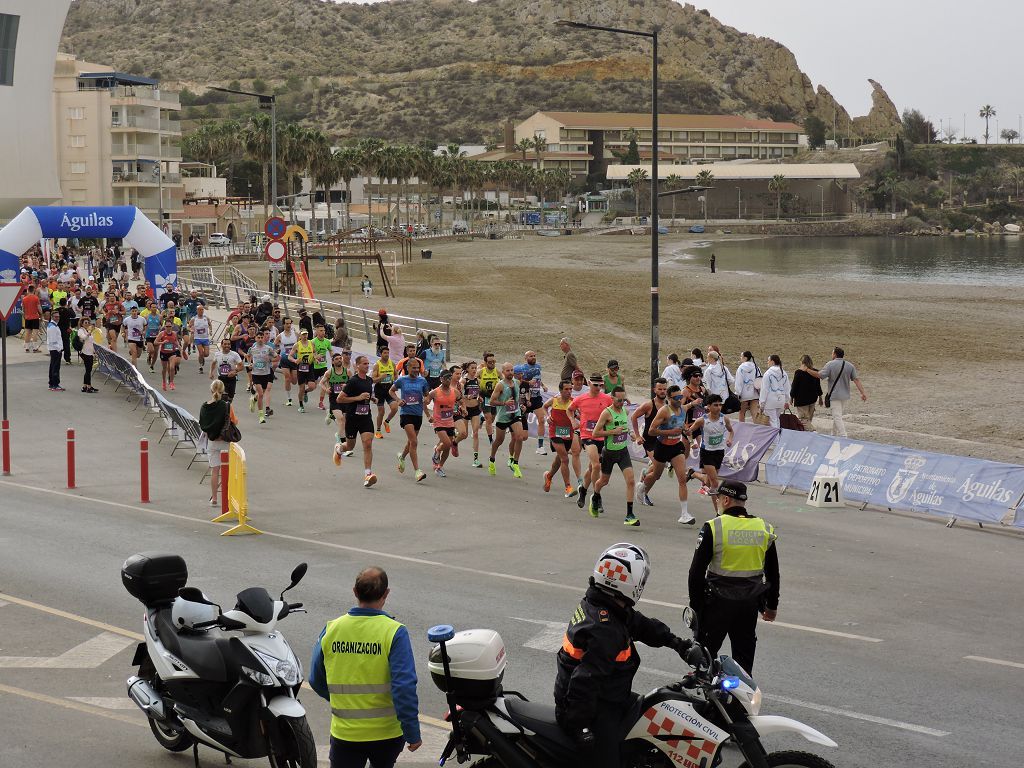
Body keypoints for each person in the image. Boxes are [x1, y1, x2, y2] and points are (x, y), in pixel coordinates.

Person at [555, 544, 693, 768]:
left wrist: (678, 644)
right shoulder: (605, 630)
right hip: (589, 708)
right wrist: (579, 725)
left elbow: (641, 624)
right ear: (628, 583)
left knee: (654, 713)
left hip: (608, 695)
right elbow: (585, 680)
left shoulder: (606, 604)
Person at [309, 567, 421, 768]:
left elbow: (316, 680)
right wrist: (412, 732)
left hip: (345, 734)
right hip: (387, 735)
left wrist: (343, 701)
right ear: (386, 593)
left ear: (354, 591)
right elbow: (404, 687)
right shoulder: (394, 632)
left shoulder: (332, 629)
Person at [687, 480, 779, 674]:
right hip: (749, 605)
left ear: (726, 500)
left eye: (718, 498)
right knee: (743, 665)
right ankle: (740, 703)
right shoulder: (763, 528)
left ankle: (703, 699)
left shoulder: (714, 527)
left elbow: (696, 573)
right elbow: (773, 572)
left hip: (716, 605)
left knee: (704, 660)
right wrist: (771, 606)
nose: (717, 502)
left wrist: (697, 609)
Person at [591, 386, 639, 526]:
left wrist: (631, 434)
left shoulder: (625, 410)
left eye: (624, 399)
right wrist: (612, 432)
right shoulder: (606, 413)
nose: (622, 402)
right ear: (612, 398)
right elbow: (595, 433)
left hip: (623, 451)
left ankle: (629, 514)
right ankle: (595, 495)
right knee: (603, 481)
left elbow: (626, 427)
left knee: (630, 481)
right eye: (619, 400)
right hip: (609, 453)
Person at [801, 347, 868, 438]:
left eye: (832, 353)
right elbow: (856, 380)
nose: (831, 354)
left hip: (835, 395)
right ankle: (834, 434)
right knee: (838, 415)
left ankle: (843, 435)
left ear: (835, 354)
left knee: (837, 416)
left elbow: (819, 375)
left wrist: (807, 370)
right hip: (845, 395)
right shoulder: (849, 365)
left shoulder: (830, 364)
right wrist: (863, 393)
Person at [571, 374, 614, 510]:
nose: (598, 388)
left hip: (602, 436)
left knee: (591, 468)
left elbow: (613, 413)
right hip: (587, 436)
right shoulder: (581, 398)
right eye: (595, 385)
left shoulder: (607, 399)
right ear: (589, 383)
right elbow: (569, 410)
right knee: (596, 466)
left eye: (600, 385)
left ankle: (583, 490)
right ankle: (597, 496)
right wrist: (573, 420)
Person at [686, 394, 734, 512]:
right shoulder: (702, 420)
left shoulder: (724, 419)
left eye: (720, 405)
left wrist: (729, 439)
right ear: (708, 406)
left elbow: (731, 431)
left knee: (708, 481)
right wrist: (692, 442)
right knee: (714, 483)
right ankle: (718, 512)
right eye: (715, 405)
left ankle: (693, 474)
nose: (718, 407)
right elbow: (689, 431)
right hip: (707, 453)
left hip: (719, 452)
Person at [389, 357, 432, 483]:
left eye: (418, 368)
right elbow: (391, 391)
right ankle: (417, 471)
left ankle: (402, 457)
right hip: (406, 414)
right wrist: (398, 400)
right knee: (414, 442)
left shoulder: (422, 380)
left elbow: (427, 395)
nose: (416, 370)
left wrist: (427, 399)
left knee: (410, 442)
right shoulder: (402, 380)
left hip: (418, 415)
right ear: (407, 368)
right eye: (413, 368)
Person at [338, 355, 378, 488]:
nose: (367, 365)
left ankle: (368, 475)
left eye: (368, 363)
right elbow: (340, 399)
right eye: (365, 364)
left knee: (367, 444)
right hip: (352, 418)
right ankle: (339, 449)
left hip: (365, 417)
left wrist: (372, 399)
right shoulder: (352, 381)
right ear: (358, 366)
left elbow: (366, 394)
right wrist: (358, 398)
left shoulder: (369, 380)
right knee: (349, 447)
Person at [199, 380, 238, 506]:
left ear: (211, 390)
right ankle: (228, 496)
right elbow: (234, 421)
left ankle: (214, 498)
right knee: (229, 470)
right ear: (223, 390)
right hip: (225, 440)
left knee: (215, 471)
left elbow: (203, 425)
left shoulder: (204, 406)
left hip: (212, 441)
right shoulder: (226, 405)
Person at [487, 362, 525, 479]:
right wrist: (504, 403)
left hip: (515, 415)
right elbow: (492, 401)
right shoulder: (500, 385)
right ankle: (492, 459)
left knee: (519, 437)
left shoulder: (517, 383)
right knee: (499, 441)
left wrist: (521, 405)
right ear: (503, 372)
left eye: (512, 370)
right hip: (503, 416)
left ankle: (515, 463)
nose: (510, 373)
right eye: (507, 371)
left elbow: (517, 399)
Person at [789, 355, 823, 431]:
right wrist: (820, 397)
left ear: (802, 363)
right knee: (809, 419)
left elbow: (794, 386)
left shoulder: (798, 372)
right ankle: (807, 435)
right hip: (812, 399)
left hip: (802, 401)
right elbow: (818, 386)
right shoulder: (815, 372)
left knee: (803, 420)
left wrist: (791, 397)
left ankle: (812, 432)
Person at [757, 355, 789, 429]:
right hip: (781, 400)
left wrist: (761, 403)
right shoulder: (784, 373)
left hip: (770, 401)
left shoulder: (768, 374)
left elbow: (764, 389)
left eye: (768, 360)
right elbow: (787, 388)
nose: (767, 362)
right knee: (777, 419)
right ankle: (778, 438)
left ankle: (775, 439)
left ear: (772, 362)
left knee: (772, 421)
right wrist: (787, 400)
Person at [210, 337, 244, 403]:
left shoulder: (234, 354)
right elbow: (213, 363)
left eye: (228, 344)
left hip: (231, 378)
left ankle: (227, 408)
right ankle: (223, 410)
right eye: (225, 344)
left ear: (230, 345)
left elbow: (241, 366)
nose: (227, 346)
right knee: (223, 397)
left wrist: (234, 371)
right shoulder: (217, 354)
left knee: (230, 398)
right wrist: (211, 372)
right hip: (221, 378)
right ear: (221, 345)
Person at [735, 351, 761, 423]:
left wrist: (738, 393)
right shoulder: (756, 367)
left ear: (745, 358)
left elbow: (739, 382)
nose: (740, 358)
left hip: (744, 394)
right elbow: (760, 380)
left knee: (742, 413)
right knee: (755, 413)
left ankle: (742, 429)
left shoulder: (741, 368)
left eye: (741, 357)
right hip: (755, 393)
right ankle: (757, 430)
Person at [76, 318, 98, 393]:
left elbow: (91, 342)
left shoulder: (87, 331)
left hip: (90, 352)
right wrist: (90, 332)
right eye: (85, 322)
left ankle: (85, 386)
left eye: (88, 322)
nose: (87, 324)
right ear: (82, 323)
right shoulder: (80, 331)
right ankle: (88, 387)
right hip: (85, 352)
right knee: (88, 370)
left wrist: (94, 351)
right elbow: (84, 338)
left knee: (88, 370)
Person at [46, 311, 64, 391]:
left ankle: (51, 383)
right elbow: (53, 340)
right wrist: (59, 349)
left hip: (53, 349)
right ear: (52, 317)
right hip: (55, 349)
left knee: (53, 366)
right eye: (56, 317)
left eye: (58, 316)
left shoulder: (52, 325)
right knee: (55, 367)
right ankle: (55, 384)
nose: (57, 318)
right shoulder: (53, 327)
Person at [21, 284, 41, 352]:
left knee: (27, 333)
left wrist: (25, 315)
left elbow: (23, 309)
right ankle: (35, 348)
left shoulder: (24, 299)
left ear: (28, 290)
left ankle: (27, 348)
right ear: (34, 290)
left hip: (27, 317)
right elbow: (39, 308)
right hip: (35, 317)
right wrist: (41, 314)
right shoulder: (36, 298)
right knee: (35, 333)